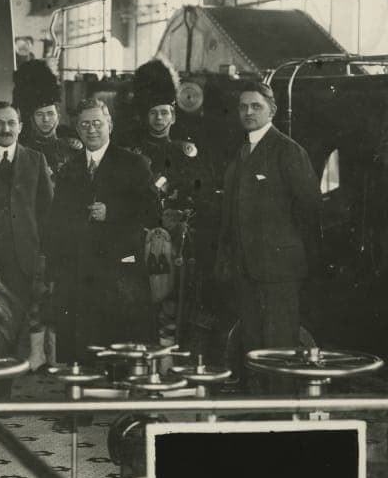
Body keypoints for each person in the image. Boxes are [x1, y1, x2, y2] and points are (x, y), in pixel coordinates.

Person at [215, 81, 322, 389]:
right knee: (252, 343)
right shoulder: (243, 152)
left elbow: (310, 209)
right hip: (245, 268)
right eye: (243, 107)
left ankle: (281, 412)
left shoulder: (287, 151)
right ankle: (258, 407)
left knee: (278, 345)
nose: (248, 112)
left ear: (272, 110)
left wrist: (290, 253)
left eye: (256, 106)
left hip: (279, 270)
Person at [44, 98, 160, 363]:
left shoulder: (134, 163)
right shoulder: (70, 168)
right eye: (84, 124)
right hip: (79, 275)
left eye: (97, 123)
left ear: (110, 125)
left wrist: (113, 212)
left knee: (121, 352)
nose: (91, 129)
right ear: (77, 129)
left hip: (120, 272)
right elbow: (56, 223)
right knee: (82, 355)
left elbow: (153, 212)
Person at [122, 57, 219, 353]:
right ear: (144, 115)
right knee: (140, 299)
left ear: (173, 115)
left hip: (176, 239)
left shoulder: (188, 150)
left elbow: (201, 192)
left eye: (165, 113)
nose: (159, 119)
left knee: (169, 300)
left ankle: (165, 359)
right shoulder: (129, 149)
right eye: (153, 113)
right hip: (137, 235)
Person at [0, 101, 54, 387]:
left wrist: (43, 254)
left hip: (23, 253)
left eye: (11, 123)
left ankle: (4, 385)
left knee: (17, 318)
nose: (6, 129)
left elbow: (46, 210)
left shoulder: (35, 159)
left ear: (20, 126)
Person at [12, 58, 83, 178]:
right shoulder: (21, 147)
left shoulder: (73, 144)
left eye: (50, 113)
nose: (46, 119)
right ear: (31, 118)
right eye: (39, 115)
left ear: (58, 115)